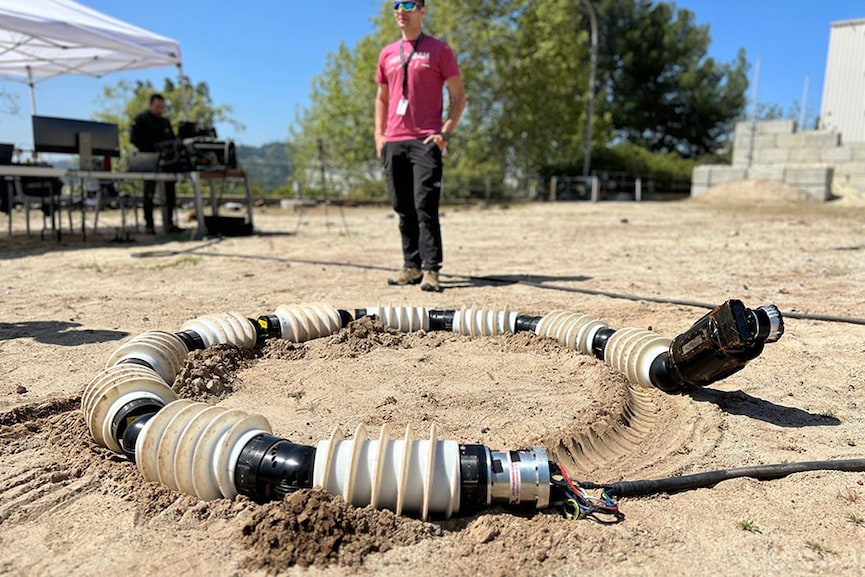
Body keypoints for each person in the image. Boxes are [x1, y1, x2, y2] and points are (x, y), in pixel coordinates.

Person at [375, 0, 466, 292]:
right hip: (394, 140)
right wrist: (379, 135)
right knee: (402, 206)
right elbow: (382, 98)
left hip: (426, 140)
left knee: (425, 205)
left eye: (409, 4)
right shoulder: (387, 53)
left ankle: (431, 270)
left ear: (422, 11)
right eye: (396, 4)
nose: (401, 10)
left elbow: (459, 97)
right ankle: (411, 266)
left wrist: (445, 133)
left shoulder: (440, 50)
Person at [131, 94, 181, 234]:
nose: (160, 109)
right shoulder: (141, 120)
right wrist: (151, 150)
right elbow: (134, 139)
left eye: (163, 107)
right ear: (151, 105)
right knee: (149, 193)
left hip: (167, 161)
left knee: (170, 191)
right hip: (149, 160)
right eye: (158, 106)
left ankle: (169, 223)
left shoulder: (165, 122)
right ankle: (149, 224)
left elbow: (172, 140)